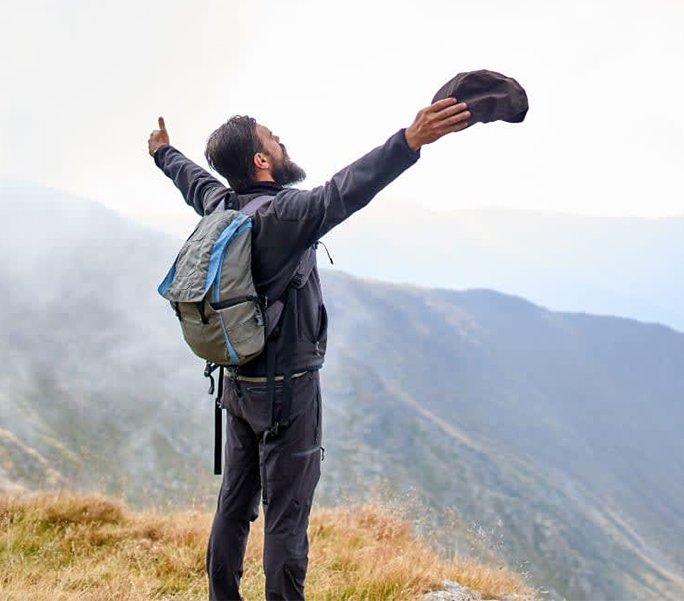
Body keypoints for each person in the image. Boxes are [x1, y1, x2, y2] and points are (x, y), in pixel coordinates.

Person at [147, 97, 470, 600]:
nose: (281, 143)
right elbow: (346, 190)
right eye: (273, 138)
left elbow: (194, 180)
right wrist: (409, 141)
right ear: (261, 160)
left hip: (236, 385)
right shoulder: (286, 214)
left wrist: (164, 153)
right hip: (289, 395)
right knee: (286, 518)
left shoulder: (221, 206)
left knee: (233, 506)